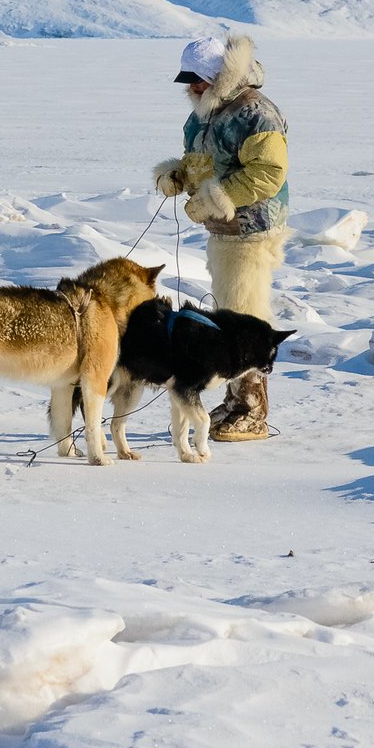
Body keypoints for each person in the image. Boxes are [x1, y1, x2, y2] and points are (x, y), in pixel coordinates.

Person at [152, 32, 288, 441]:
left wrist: (217, 198)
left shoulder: (255, 113)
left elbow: (267, 172)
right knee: (229, 313)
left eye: (200, 78)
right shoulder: (204, 112)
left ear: (221, 75)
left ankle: (253, 412)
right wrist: (179, 175)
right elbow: (203, 161)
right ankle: (234, 399)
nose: (192, 87)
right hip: (224, 231)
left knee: (246, 319)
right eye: (188, 80)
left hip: (252, 231)